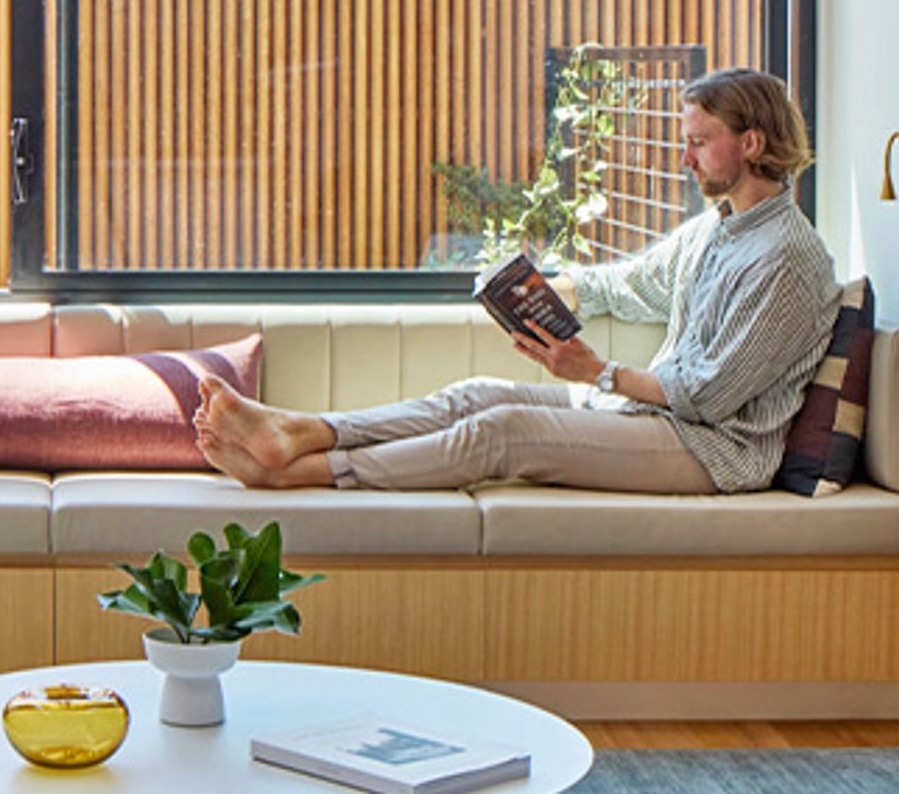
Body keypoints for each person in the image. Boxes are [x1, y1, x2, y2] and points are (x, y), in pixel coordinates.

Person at [194, 67, 839, 495]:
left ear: (751, 143)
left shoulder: (786, 258)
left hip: (714, 452)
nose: (684, 157)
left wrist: (597, 372)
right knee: (473, 396)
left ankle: (303, 473)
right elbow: (635, 284)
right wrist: (549, 289)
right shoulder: (716, 230)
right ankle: (303, 429)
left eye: (699, 142)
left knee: (502, 433)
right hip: (652, 417)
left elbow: (709, 396)